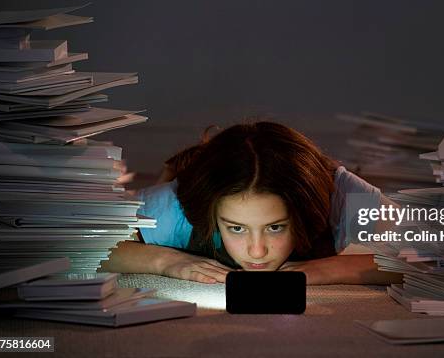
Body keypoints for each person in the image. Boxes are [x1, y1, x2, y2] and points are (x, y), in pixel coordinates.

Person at [101, 121, 401, 285]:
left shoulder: (339, 196)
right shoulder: (177, 206)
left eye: (275, 227)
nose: (257, 252)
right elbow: (84, 247)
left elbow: (436, 255)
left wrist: (329, 270)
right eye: (236, 228)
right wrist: (166, 261)